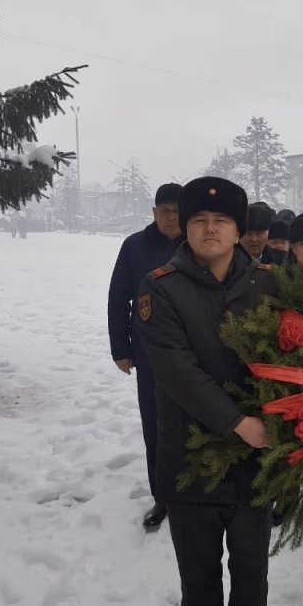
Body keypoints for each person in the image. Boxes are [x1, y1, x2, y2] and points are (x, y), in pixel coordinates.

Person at [138, 177, 277, 606]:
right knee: (198, 580)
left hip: (255, 465)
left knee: (250, 576)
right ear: (185, 227)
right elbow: (177, 371)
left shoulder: (270, 284)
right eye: (199, 221)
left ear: (240, 230)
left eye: (221, 221)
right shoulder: (161, 287)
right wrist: (239, 422)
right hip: (192, 458)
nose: (210, 228)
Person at [107, 183, 184, 530]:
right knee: (156, 425)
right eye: (165, 210)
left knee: (196, 422)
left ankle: (194, 490)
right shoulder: (135, 246)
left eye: (177, 210)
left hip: (195, 353)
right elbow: (118, 298)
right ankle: (162, 496)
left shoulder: (197, 245)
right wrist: (121, 349)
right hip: (149, 354)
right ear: (154, 213)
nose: (172, 217)